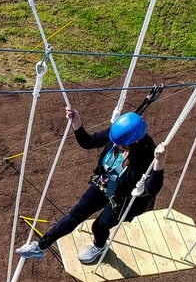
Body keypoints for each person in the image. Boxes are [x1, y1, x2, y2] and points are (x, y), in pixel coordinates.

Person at [16, 107, 167, 265]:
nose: (115, 146)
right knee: (76, 214)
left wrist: (159, 162)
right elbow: (88, 142)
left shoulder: (147, 153)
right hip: (105, 182)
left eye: (120, 145)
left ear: (133, 142)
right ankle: (40, 246)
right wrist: (77, 123)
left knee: (99, 226)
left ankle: (99, 246)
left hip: (124, 198)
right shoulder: (117, 136)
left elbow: (151, 190)